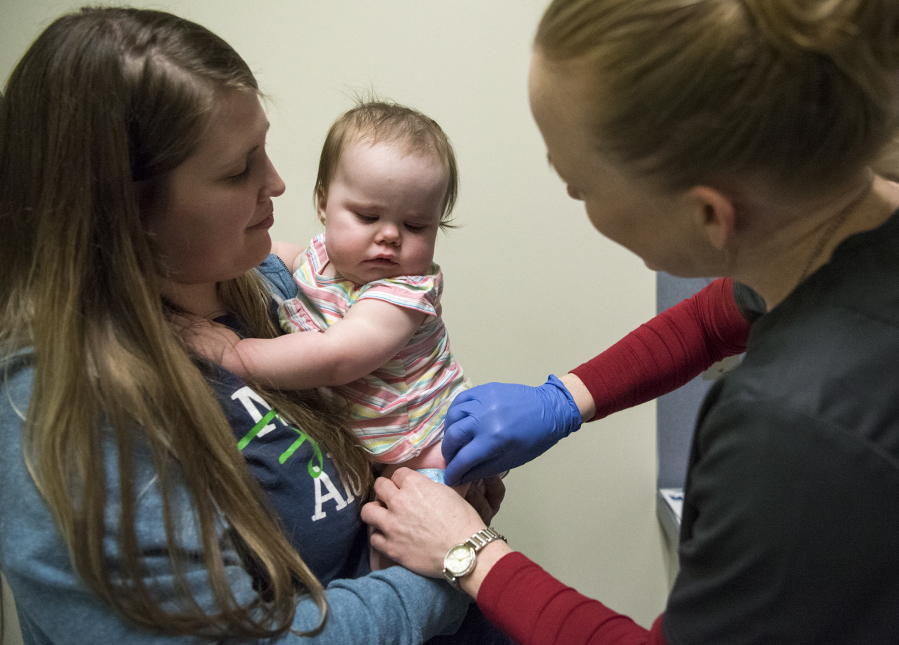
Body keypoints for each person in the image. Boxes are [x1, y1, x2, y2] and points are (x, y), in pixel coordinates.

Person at [362, 0, 899, 643]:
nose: (572, 197)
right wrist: (565, 400)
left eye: (580, 186)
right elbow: (718, 316)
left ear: (710, 216)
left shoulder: (789, 430)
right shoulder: (845, 224)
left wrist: (469, 553)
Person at [0, 7, 483, 643]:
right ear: (128, 207)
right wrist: (453, 567)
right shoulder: (64, 421)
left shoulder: (269, 292)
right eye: (238, 170)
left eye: (264, 149)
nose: (278, 184)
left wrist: (444, 490)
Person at [186, 100, 469, 478]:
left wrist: (239, 356)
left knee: (409, 522)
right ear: (323, 203)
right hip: (366, 447)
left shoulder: (404, 294)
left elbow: (336, 356)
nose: (389, 236)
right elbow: (280, 257)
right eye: (368, 217)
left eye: (416, 226)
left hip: (422, 446)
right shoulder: (321, 255)